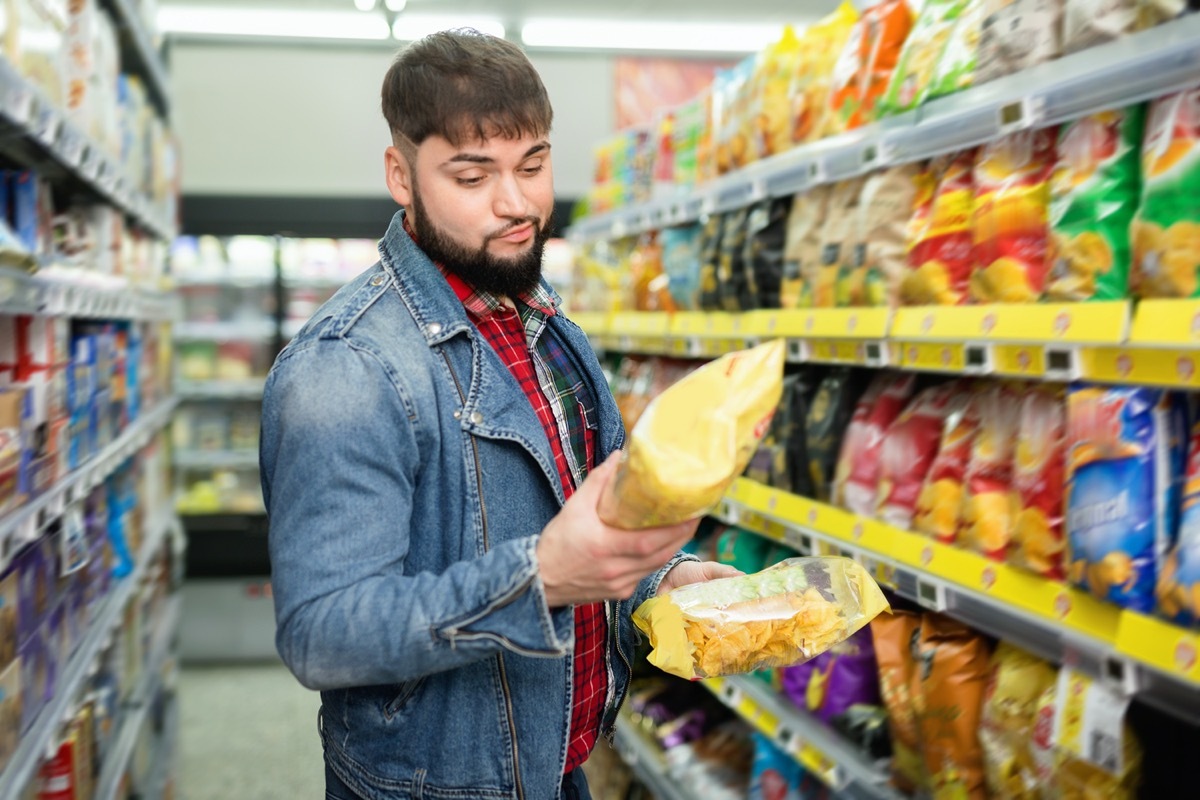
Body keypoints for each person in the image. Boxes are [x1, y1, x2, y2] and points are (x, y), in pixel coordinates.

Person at [259, 29, 737, 800]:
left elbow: (589, 531)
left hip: (556, 768)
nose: (518, 204)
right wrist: (540, 577)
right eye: (473, 175)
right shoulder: (345, 369)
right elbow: (322, 634)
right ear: (401, 175)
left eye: (535, 165)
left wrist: (661, 582)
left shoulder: (547, 327)